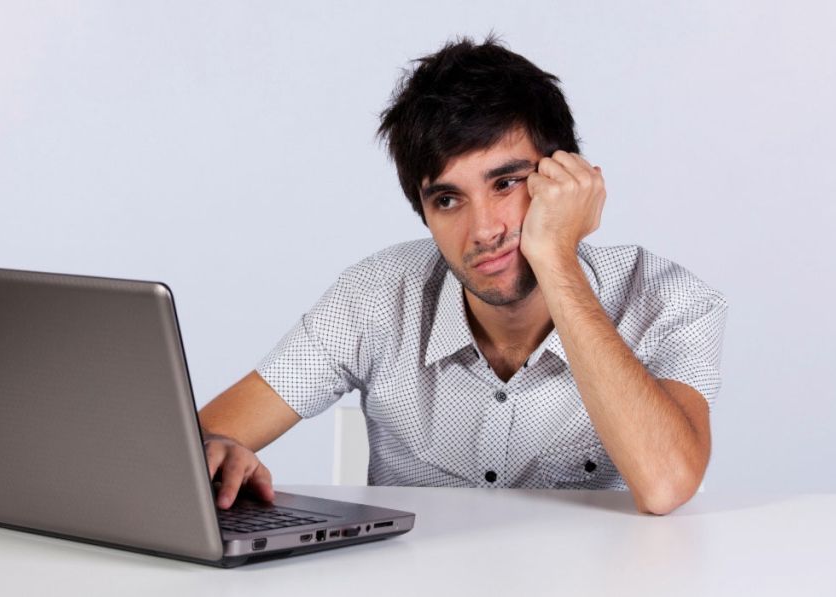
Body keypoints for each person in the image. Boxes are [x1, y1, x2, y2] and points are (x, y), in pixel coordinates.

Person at [198, 36, 728, 516]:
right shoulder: (376, 297)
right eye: (448, 199)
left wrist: (557, 259)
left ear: (566, 178)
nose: (483, 230)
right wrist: (213, 453)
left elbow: (665, 485)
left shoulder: (667, 299)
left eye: (507, 183)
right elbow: (196, 443)